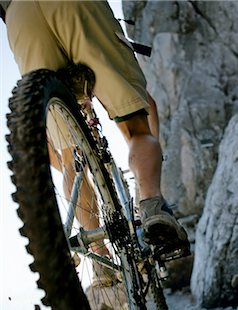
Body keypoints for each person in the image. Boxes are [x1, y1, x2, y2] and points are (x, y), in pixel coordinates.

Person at [1, 0, 189, 255]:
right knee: (136, 126)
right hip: (74, 6)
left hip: (19, 16)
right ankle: (152, 206)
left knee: (69, 157)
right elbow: (149, 106)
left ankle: (99, 256)